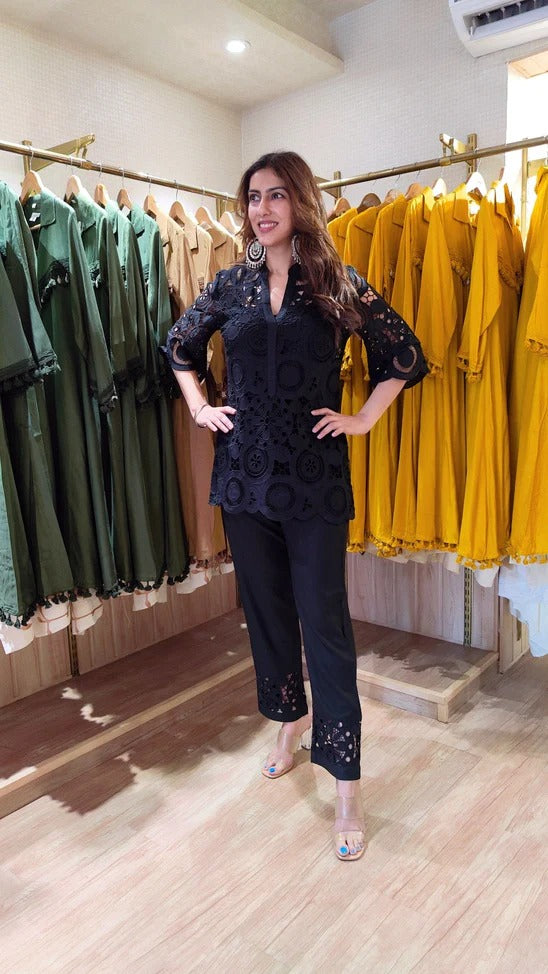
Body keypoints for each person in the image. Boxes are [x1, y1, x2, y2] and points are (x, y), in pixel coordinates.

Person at [163, 151, 427, 861]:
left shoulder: (336, 283)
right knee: (268, 614)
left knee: (325, 624)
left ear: (302, 201)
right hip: (244, 479)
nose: (263, 209)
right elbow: (179, 345)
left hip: (313, 479)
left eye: (277, 195)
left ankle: (345, 782)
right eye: (253, 197)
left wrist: (363, 419)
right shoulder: (230, 284)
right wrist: (200, 408)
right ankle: (289, 721)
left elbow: (404, 355)